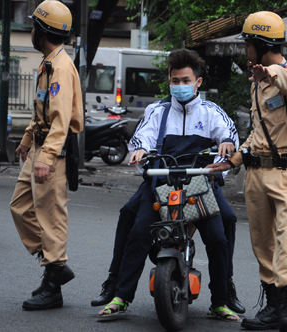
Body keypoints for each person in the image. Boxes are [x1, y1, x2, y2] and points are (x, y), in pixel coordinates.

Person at [97, 49, 240, 321]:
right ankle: (119, 295)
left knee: (221, 232)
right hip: (162, 184)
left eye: (186, 80)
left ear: (198, 82)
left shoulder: (212, 112)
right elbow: (141, 140)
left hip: (200, 186)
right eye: (175, 80)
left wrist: (226, 144)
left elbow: (229, 136)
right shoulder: (157, 111)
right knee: (137, 230)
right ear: (169, 81)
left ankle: (222, 298)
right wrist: (138, 152)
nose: (180, 86)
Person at [207, 11, 287, 332]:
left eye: (248, 43)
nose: (245, 49)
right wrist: (231, 161)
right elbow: (256, 135)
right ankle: (273, 308)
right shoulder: (257, 84)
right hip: (256, 174)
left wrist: (272, 72)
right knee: (262, 242)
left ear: (260, 44)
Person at [9, 0, 83, 311]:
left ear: (41, 31)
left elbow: (61, 119)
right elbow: (40, 110)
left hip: (54, 150)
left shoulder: (61, 68)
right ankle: (55, 265)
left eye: (33, 26)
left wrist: (45, 157)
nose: (30, 30)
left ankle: (53, 283)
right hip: (40, 146)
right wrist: (27, 140)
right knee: (20, 206)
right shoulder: (48, 63)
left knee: (51, 217)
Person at [90, 177, 245, 314]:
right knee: (133, 224)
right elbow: (143, 145)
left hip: (200, 184)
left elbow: (226, 150)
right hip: (161, 182)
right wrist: (141, 151)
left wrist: (221, 158)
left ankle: (224, 291)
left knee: (225, 226)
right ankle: (118, 290)